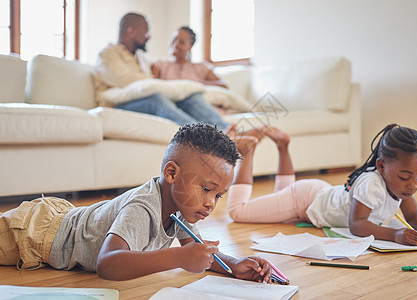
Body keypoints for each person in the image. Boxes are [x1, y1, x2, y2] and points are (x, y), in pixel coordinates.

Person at [0, 123, 271, 282]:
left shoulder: (183, 207)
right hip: (36, 234)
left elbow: (197, 251)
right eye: (206, 189)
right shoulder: (143, 208)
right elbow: (107, 263)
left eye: (218, 195)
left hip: (68, 219)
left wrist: (234, 265)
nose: (211, 203)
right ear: (171, 173)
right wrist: (178, 257)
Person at [227, 124, 417, 246]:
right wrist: (394, 235)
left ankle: (283, 146)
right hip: (304, 200)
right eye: (406, 177)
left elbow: (414, 216)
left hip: (317, 194)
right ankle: (246, 152)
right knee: (238, 212)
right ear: (382, 166)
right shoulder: (372, 184)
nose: (413, 185)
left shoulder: (401, 187)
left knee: (278, 198)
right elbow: (357, 225)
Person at [93, 13, 231, 132]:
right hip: (118, 104)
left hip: (140, 100)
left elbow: (150, 81)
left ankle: (226, 131)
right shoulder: (108, 54)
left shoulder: (141, 58)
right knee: (156, 100)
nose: (149, 36)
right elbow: (125, 80)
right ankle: (207, 138)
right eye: (146, 32)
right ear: (131, 31)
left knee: (188, 97)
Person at [151, 26, 227, 88]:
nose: (176, 45)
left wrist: (198, 84)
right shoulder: (160, 64)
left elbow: (223, 86)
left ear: (190, 47)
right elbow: (152, 86)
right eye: (174, 39)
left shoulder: (201, 67)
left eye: (182, 42)